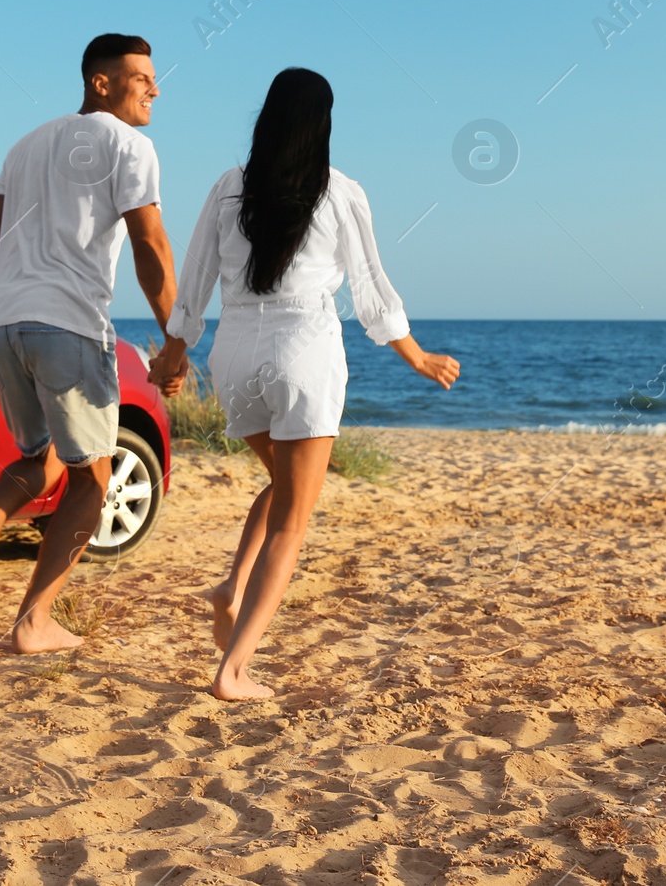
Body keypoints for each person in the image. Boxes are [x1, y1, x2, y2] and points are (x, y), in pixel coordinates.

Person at [148, 68, 459, 700]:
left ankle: (231, 588)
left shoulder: (229, 186)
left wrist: (175, 354)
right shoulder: (339, 191)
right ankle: (234, 671)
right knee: (295, 515)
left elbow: (197, 278)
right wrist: (416, 355)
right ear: (323, 124)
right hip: (302, 349)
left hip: (233, 354)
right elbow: (371, 289)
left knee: (283, 484)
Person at [0, 33, 185, 654]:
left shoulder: (25, 145)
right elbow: (150, 246)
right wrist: (174, 338)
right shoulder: (130, 145)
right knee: (93, 483)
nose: (155, 88)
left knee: (46, 452)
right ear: (100, 83)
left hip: (4, 328)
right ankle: (34, 622)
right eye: (141, 77)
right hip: (70, 325)